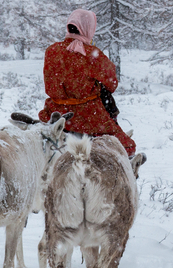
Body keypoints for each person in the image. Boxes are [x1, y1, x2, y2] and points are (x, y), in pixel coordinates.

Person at [38, 9, 136, 157]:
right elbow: (112, 84)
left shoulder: (51, 50)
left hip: (55, 112)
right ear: (88, 28)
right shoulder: (92, 54)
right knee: (128, 147)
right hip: (88, 117)